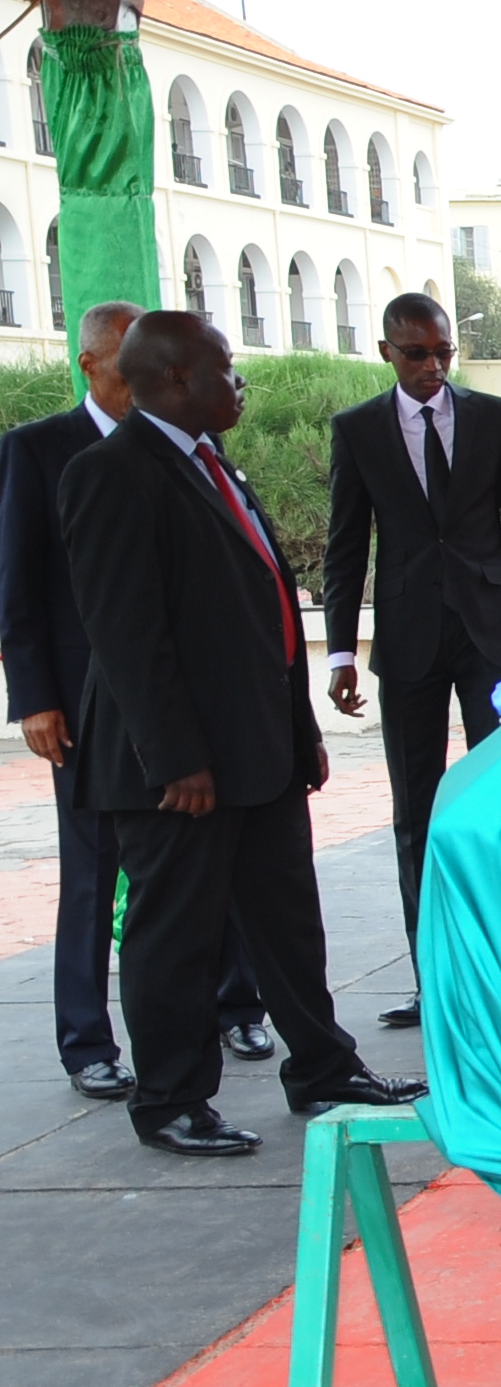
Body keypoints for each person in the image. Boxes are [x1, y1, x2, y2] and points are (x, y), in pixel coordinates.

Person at [57, 312, 425, 1157]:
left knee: (287, 923)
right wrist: (176, 757)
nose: (240, 384)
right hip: (179, 769)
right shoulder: (112, 474)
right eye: (227, 369)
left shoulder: (214, 464)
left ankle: (326, 1071)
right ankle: (172, 1099)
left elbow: (269, 620)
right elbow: (126, 635)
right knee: (176, 935)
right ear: (178, 378)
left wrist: (300, 735)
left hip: (257, 754)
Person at [0, 300, 269, 1094]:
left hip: (194, 703)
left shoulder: (198, 448)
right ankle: (88, 1042)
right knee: (94, 873)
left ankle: (238, 1005)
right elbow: (18, 587)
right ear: (92, 366)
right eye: (130, 364)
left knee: (211, 863)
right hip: (88, 708)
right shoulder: (42, 450)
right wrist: (35, 697)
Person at [323, 292, 501, 1030]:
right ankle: (435, 979)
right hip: (409, 633)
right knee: (415, 809)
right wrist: (339, 652)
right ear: (387, 352)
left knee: (500, 800)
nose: (432, 367)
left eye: (443, 353)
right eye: (417, 353)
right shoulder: (358, 430)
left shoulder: (490, 419)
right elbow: (344, 545)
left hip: (492, 632)